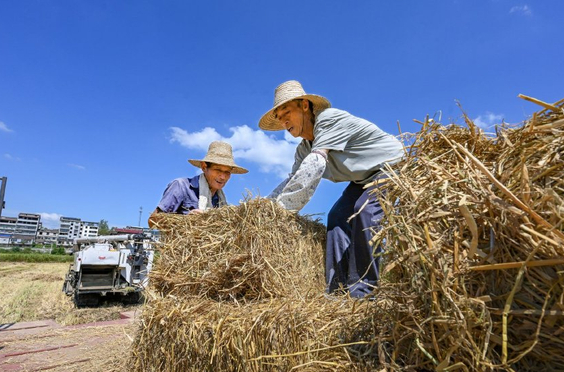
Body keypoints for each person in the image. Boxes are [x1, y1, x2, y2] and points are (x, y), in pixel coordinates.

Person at [259, 80, 404, 298]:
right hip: (363, 179)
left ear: (305, 106)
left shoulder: (327, 120)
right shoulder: (303, 149)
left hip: (390, 166)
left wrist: (281, 210)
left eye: (286, 112)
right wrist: (264, 208)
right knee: (337, 216)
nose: (283, 121)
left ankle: (364, 292)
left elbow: (315, 165)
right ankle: (337, 291)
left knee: (365, 212)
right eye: (279, 117)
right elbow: (293, 180)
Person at [148, 141, 248, 226]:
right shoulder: (181, 186)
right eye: (217, 170)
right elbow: (152, 221)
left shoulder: (221, 201)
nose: (222, 177)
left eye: (227, 172)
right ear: (204, 167)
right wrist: (186, 221)